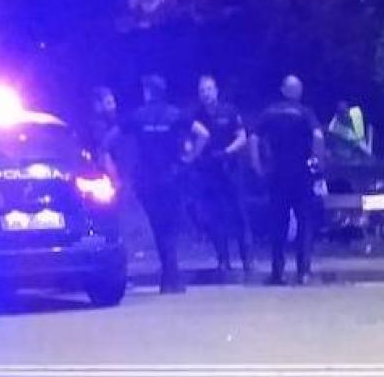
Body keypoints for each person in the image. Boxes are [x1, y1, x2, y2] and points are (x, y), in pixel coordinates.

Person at [250, 75, 325, 286]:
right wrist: (318, 163)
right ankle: (304, 272)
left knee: (278, 224)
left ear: (283, 90)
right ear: (298, 92)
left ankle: (277, 272)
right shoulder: (305, 113)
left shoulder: (270, 112)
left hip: (277, 174)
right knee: (304, 223)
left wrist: (257, 165)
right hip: (301, 174)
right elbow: (318, 137)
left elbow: (254, 138)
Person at [183, 74, 253, 277]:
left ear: (216, 90)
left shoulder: (230, 111)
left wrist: (227, 152)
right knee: (215, 216)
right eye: (202, 90)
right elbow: (188, 140)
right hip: (207, 171)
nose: (206, 94)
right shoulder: (195, 115)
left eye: (209, 89)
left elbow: (242, 137)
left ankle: (247, 259)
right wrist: (191, 153)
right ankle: (223, 259)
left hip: (230, 168)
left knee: (240, 214)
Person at [128, 74, 188, 294]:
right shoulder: (175, 114)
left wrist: (108, 161)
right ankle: (172, 276)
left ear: (148, 92)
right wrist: (187, 158)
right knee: (170, 226)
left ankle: (170, 275)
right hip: (171, 176)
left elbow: (112, 138)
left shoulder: (138, 116)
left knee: (159, 226)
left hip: (147, 179)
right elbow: (202, 133)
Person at [87, 86, 121, 179]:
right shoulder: (97, 126)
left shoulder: (113, 124)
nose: (114, 107)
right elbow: (103, 150)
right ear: (98, 106)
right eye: (109, 103)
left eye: (114, 102)